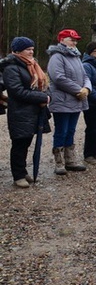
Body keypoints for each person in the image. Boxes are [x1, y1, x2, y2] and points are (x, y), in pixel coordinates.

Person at [3, 37, 50, 187]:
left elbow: (43, 86)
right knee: (19, 144)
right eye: (27, 49)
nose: (31, 52)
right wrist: (42, 97)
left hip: (33, 111)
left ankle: (23, 171)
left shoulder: (32, 66)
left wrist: (47, 96)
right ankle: (18, 175)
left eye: (32, 49)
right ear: (17, 51)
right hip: (20, 112)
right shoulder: (11, 68)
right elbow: (17, 91)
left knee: (27, 142)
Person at [47, 29, 91, 174]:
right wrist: (78, 90)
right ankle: (59, 162)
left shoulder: (76, 57)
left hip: (76, 100)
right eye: (71, 40)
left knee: (71, 130)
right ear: (61, 40)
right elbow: (58, 78)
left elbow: (85, 75)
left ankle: (70, 159)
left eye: (76, 40)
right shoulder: (57, 57)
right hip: (62, 100)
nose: (74, 42)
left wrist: (87, 88)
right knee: (62, 130)